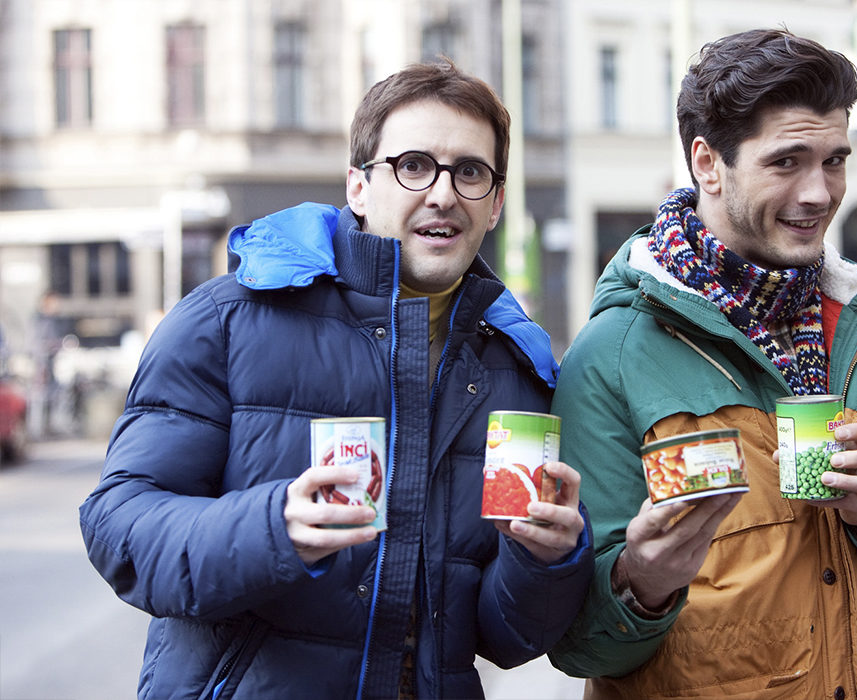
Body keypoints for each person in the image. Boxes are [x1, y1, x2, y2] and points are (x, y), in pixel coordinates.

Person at [80, 61, 593, 700]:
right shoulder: (227, 319)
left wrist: (547, 560)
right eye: (412, 165)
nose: (442, 193)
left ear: (495, 204)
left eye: (470, 171)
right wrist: (274, 526)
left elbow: (503, 638)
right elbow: (119, 526)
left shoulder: (515, 370)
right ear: (357, 186)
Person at [546, 29, 857, 699]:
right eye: (787, 161)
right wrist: (640, 579)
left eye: (834, 160)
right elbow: (574, 645)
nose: (819, 192)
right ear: (707, 163)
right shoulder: (612, 354)